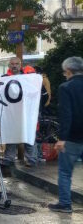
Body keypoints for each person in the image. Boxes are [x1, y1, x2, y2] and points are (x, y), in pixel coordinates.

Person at [48, 56, 83, 214]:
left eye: (64, 73)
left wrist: (62, 139)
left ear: (68, 71)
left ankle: (65, 204)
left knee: (65, 172)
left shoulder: (66, 87)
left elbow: (66, 115)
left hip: (72, 138)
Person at [1, 57, 38, 167]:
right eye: (12, 64)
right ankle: (9, 158)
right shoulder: (4, 78)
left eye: (17, 64)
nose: (14, 65)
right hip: (11, 112)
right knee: (12, 134)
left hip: (26, 111)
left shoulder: (28, 78)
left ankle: (31, 159)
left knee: (28, 134)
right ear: (9, 65)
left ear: (20, 65)